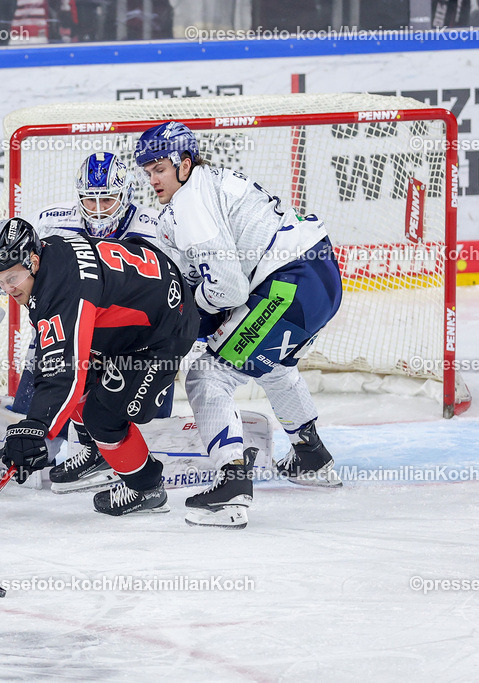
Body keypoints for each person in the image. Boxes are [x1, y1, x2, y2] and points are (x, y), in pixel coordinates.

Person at [135, 121, 344, 530]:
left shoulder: (190, 199)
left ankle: (231, 488)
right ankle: (311, 457)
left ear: (184, 163)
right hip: (321, 276)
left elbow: (228, 289)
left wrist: (190, 319)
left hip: (289, 284)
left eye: (159, 168)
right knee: (272, 363)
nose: (153, 179)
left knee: (207, 374)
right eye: (147, 171)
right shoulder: (213, 181)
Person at [0, 217, 199, 515]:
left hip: (165, 330)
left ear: (32, 261)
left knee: (103, 417)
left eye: (12, 278)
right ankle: (96, 450)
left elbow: (62, 371)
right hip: (139, 305)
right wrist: (39, 424)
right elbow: (57, 360)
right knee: (79, 381)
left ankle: (146, 488)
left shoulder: (62, 290)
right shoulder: (50, 253)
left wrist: (36, 427)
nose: (7, 289)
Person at [22, 151, 173, 494]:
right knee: (55, 359)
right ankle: (91, 448)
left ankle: (124, 455)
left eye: (107, 199)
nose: (99, 209)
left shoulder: (156, 226)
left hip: (136, 332)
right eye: (90, 200)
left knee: (120, 403)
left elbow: (181, 285)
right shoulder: (52, 219)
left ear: (127, 195)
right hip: (85, 317)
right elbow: (14, 252)